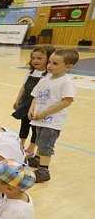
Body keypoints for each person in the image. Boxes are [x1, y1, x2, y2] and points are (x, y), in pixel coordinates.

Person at [27, 49, 79, 183]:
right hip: (39, 119)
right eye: (49, 62)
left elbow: (67, 101)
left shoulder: (66, 82)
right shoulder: (45, 80)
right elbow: (36, 96)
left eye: (55, 63)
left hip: (52, 121)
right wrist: (32, 108)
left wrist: (45, 112)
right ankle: (37, 159)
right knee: (39, 140)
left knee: (45, 145)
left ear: (68, 66)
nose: (49, 65)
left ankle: (43, 171)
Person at [12, 45, 54, 158]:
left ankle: (31, 149)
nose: (35, 60)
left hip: (39, 106)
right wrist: (17, 100)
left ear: (49, 59)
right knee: (24, 125)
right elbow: (24, 87)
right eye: (33, 58)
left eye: (39, 58)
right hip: (26, 103)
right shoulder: (30, 72)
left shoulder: (49, 75)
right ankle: (20, 145)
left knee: (36, 129)